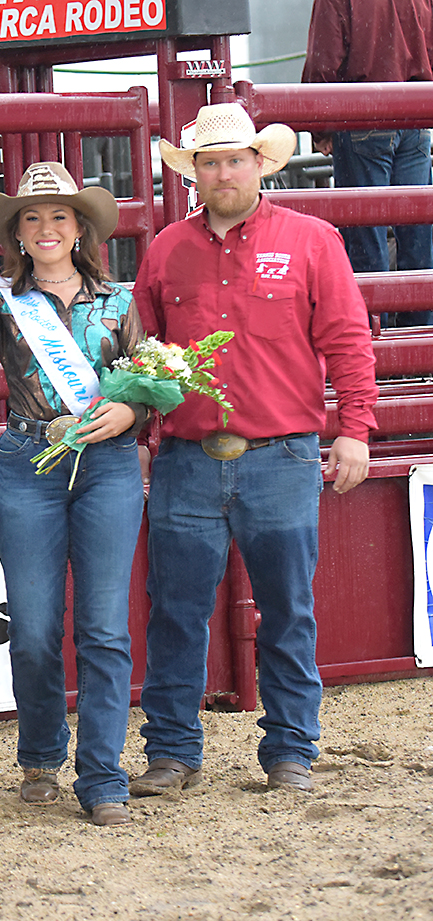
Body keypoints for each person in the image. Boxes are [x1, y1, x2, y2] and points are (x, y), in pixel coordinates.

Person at [130, 103, 378, 798]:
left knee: (288, 607)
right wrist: (148, 435)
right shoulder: (164, 251)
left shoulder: (313, 241)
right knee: (176, 608)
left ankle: (291, 749)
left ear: (261, 164)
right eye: (208, 162)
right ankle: (173, 751)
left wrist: (353, 428)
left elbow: (349, 343)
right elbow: (144, 356)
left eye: (234, 159)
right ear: (195, 175)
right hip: (186, 456)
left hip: (284, 454)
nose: (221, 172)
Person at [0, 162, 147, 826]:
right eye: (33, 218)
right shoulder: (2, 300)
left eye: (59, 216)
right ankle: (39, 753)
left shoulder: (119, 300)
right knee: (31, 628)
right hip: (30, 461)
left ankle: (104, 773)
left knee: (105, 627)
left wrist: (132, 415)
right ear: (18, 234)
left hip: (107, 464)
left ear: (79, 227)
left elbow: (147, 381)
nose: (47, 227)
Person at [302, 0, 433, 326]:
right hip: (415, 114)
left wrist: (319, 128)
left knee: (365, 240)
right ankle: (418, 344)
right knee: (417, 238)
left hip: (362, 116)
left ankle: (373, 345)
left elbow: (323, 62)